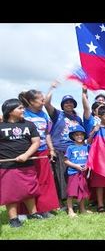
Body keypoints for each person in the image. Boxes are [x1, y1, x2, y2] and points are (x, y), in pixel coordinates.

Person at [0, 99, 43, 228]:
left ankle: (33, 214)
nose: (23, 110)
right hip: (7, 166)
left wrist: (26, 155)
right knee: (10, 193)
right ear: (10, 111)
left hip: (27, 163)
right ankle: (13, 219)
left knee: (28, 190)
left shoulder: (29, 125)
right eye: (20, 108)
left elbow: (36, 142)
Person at [17, 89, 60, 218]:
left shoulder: (44, 115)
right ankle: (23, 211)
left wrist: (51, 149)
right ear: (30, 102)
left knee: (44, 181)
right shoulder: (22, 114)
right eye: (41, 100)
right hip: (26, 152)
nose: (43, 102)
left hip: (42, 151)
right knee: (26, 181)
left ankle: (43, 209)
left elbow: (47, 133)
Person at [44, 81, 84, 207]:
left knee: (72, 176)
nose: (69, 104)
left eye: (71, 102)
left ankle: (72, 200)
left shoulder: (77, 119)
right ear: (62, 105)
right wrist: (52, 88)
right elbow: (46, 103)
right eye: (66, 102)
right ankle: (62, 202)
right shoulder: (57, 114)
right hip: (59, 149)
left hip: (73, 150)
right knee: (60, 176)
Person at [64, 125, 92, 217]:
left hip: (83, 173)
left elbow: (90, 159)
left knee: (82, 191)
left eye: (81, 135)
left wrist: (87, 166)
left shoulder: (87, 147)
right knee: (71, 192)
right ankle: (70, 210)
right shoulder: (70, 148)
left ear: (84, 136)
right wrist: (76, 166)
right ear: (73, 136)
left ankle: (82, 209)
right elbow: (66, 160)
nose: (79, 136)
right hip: (73, 173)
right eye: (77, 135)